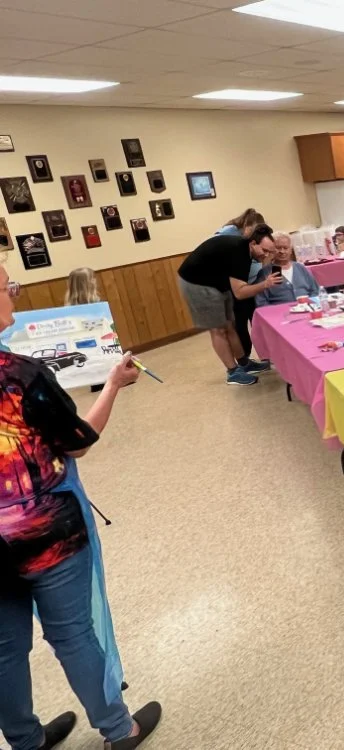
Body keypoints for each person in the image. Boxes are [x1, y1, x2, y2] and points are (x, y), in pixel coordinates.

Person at [0, 265, 162, 750]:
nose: (15, 293)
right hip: (42, 530)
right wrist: (112, 385)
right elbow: (77, 444)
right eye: (7, 286)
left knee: (3, 649)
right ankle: (118, 729)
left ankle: (24, 742)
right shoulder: (21, 375)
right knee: (72, 634)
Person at [177, 224, 279, 386]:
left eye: (270, 252)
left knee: (229, 325)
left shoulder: (245, 252)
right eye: (264, 251)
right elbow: (240, 292)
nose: (265, 255)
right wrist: (265, 285)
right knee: (218, 328)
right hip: (196, 282)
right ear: (253, 244)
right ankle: (232, 372)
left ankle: (244, 363)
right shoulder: (239, 253)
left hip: (216, 281)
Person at [217, 209, 266, 372]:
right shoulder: (227, 234)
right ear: (246, 225)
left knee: (257, 321)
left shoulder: (251, 237)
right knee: (239, 325)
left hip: (251, 284)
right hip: (234, 288)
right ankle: (243, 361)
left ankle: (261, 357)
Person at [253, 232, 321, 306]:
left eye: (285, 248)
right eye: (278, 248)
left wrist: (311, 305)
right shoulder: (265, 272)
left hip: (307, 309)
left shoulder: (301, 268)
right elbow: (261, 301)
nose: (282, 251)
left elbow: (315, 291)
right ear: (272, 250)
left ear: (291, 250)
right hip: (280, 314)